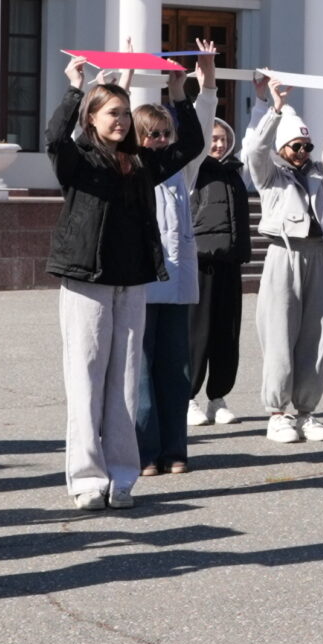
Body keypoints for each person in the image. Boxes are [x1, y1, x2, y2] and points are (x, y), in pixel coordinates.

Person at [44, 53, 203, 507]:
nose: (121, 120)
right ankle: (87, 479)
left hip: (132, 282)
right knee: (86, 380)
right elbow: (55, 137)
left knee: (126, 383)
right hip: (87, 280)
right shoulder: (78, 162)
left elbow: (188, 144)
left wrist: (178, 94)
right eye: (112, 113)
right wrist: (75, 86)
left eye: (124, 113)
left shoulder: (140, 163)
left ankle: (122, 477)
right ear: (91, 119)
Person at [129, 49, 218, 476]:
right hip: (143, 284)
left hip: (178, 285)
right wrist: (125, 85)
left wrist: (198, 86)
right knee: (142, 372)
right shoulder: (129, 169)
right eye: (154, 135)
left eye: (166, 134)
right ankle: (145, 452)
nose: (163, 141)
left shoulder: (182, 173)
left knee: (175, 372)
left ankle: (175, 449)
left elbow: (198, 134)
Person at [242, 74, 323, 445]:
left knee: (316, 336)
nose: (302, 152)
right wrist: (271, 109)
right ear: (282, 149)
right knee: (279, 334)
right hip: (283, 254)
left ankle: (307, 411)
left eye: (306, 146)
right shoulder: (270, 176)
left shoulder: (318, 174)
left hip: (317, 254)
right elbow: (253, 151)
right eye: (295, 146)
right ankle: (277, 412)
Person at [186, 116, 249, 429]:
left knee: (228, 334)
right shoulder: (193, 170)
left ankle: (218, 398)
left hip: (231, 261)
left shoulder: (234, 171)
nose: (219, 144)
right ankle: (188, 397)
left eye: (223, 139)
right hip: (201, 261)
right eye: (213, 138)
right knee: (198, 333)